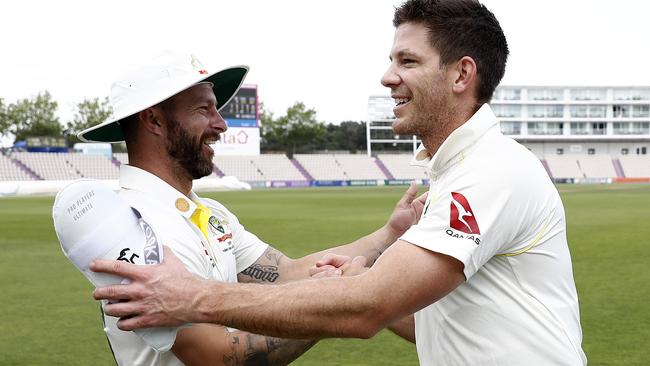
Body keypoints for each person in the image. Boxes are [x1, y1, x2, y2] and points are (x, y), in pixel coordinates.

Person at [91, 1, 587, 364]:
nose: (387, 77)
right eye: (205, 109)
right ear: (153, 121)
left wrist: (193, 297)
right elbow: (431, 320)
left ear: (462, 75)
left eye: (407, 61)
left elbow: (365, 306)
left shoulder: (489, 172)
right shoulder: (132, 222)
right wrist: (363, 274)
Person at [77, 51, 426, 365]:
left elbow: (285, 273)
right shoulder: (136, 230)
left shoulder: (207, 212)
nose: (221, 124)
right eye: (204, 109)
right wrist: (337, 304)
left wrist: (390, 234)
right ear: (153, 121)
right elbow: (219, 357)